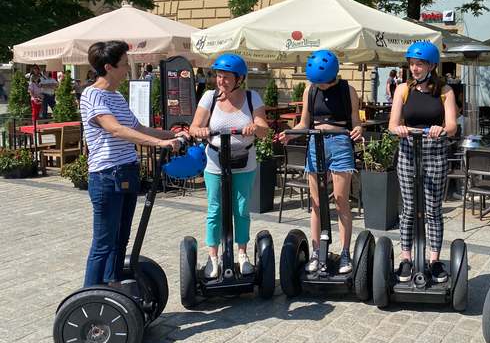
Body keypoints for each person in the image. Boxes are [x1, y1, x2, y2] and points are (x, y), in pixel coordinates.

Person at [80, 40, 189, 288]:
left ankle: (113, 287)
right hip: (106, 175)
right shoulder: (92, 94)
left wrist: (173, 135)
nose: (128, 68)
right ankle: (89, 297)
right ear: (109, 67)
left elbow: (138, 127)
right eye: (124, 64)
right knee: (103, 242)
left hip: (127, 171)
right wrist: (159, 144)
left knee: (121, 239)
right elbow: (116, 130)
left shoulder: (116, 95)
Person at [278, 50, 363, 274]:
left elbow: (356, 121)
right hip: (316, 144)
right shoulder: (310, 89)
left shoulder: (348, 90)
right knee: (316, 203)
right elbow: (304, 122)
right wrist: (290, 133)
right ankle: (317, 252)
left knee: (340, 200)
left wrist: (358, 130)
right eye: (317, 82)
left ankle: (345, 254)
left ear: (334, 74)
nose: (321, 86)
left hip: (341, 143)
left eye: (324, 82)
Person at [190, 54, 269, 278]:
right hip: (215, 161)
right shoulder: (209, 97)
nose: (221, 81)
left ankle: (242, 254)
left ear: (240, 78)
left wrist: (255, 126)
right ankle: (213, 257)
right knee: (215, 209)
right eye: (219, 76)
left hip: (244, 161)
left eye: (226, 77)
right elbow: (194, 127)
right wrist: (200, 130)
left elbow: (264, 130)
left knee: (242, 209)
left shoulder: (252, 98)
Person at [388, 42, 457, 284]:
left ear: (432, 66)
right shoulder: (402, 90)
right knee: (408, 209)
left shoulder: (445, 91)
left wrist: (442, 129)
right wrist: (400, 129)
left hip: (434, 151)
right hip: (408, 151)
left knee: (433, 209)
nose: (414, 68)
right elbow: (392, 124)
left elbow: (452, 126)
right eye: (411, 64)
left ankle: (434, 260)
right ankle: (406, 259)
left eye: (419, 64)